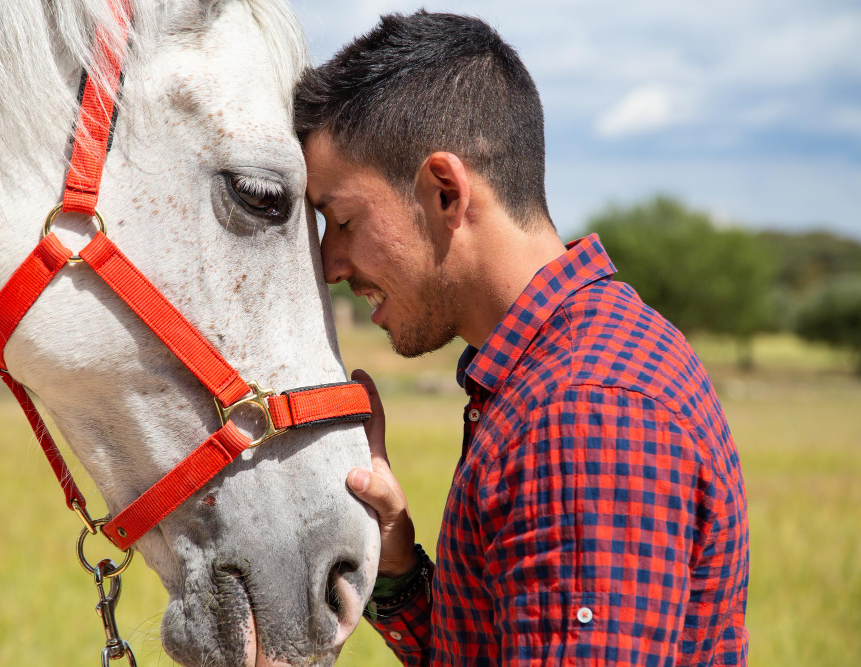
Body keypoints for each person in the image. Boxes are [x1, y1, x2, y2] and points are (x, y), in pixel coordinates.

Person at [295, 10, 749, 667]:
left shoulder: (581, 411)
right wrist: (394, 559)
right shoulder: (557, 373)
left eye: (341, 218)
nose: (331, 263)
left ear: (446, 192)